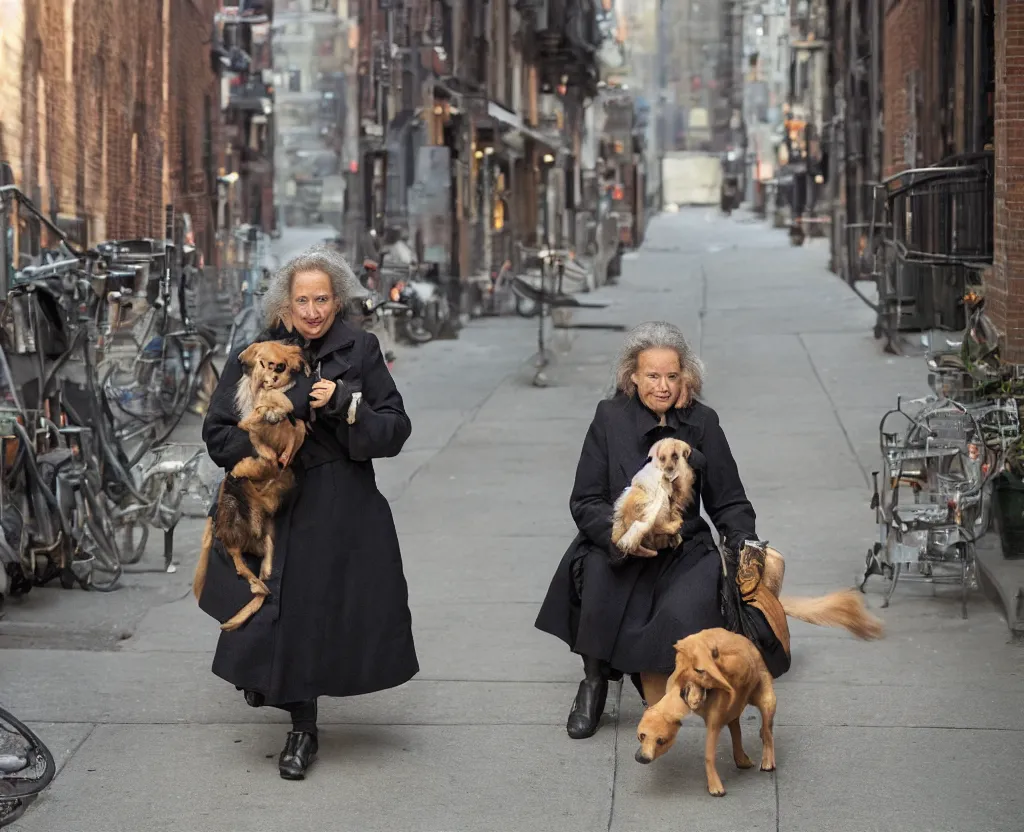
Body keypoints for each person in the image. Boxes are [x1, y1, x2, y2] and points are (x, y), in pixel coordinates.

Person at [198, 245, 419, 779]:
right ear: (285, 305)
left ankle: (302, 726)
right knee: (269, 605)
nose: (314, 310)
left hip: (341, 503)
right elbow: (217, 431)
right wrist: (263, 454)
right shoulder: (255, 353)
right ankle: (286, 704)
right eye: (303, 300)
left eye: (323, 299)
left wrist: (347, 405)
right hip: (269, 500)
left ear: (337, 300)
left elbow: (395, 429)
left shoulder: (362, 349)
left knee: (319, 614)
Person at [534, 321, 757, 739]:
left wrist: (742, 540)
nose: (662, 386)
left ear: (685, 377)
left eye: (672, 376)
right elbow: (585, 499)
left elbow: (729, 500)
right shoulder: (608, 418)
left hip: (684, 546)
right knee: (600, 575)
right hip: (622, 538)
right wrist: (621, 537)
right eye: (651, 376)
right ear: (631, 377)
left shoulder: (703, 422)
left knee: (686, 612)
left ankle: (650, 677)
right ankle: (594, 682)